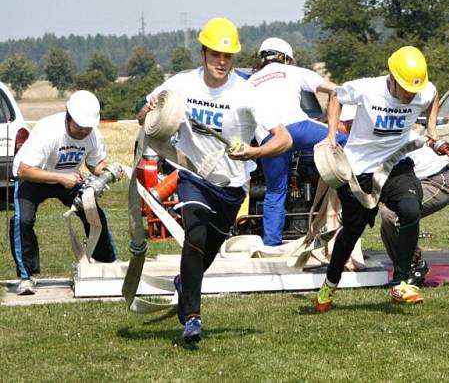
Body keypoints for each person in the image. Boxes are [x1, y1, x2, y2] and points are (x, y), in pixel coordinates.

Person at [137, 18, 291, 343]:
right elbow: (145, 113)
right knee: (194, 232)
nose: (221, 61)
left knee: (206, 250)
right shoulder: (181, 84)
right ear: (203, 52)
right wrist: (147, 110)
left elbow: (284, 139)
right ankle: (192, 317)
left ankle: (184, 284)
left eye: (228, 56)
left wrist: (253, 153)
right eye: (215, 54)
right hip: (194, 176)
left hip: (232, 186)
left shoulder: (247, 94)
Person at [315, 45, 439, 311]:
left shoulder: (423, 90)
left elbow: (433, 95)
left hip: (395, 166)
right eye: (405, 89)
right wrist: (331, 135)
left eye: (413, 90)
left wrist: (432, 127)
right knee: (352, 232)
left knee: (410, 210)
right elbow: (336, 95)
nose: (410, 96)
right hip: (359, 172)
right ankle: (329, 284)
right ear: (392, 78)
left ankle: (402, 282)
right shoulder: (368, 88)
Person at [9, 90, 118, 296]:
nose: (85, 131)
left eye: (88, 127)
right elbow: (24, 170)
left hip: (69, 178)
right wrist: (60, 178)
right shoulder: (48, 130)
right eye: (80, 127)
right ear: (69, 116)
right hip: (33, 176)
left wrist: (107, 170)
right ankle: (26, 277)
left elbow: (95, 164)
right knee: (22, 221)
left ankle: (108, 264)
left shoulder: (92, 134)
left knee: (94, 214)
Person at [248, 37, 347, 246]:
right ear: (285, 57)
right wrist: (329, 127)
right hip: (298, 127)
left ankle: (271, 244)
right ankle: (344, 213)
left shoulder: (250, 82)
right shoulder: (294, 71)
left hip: (270, 138)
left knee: (275, 190)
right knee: (345, 143)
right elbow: (337, 91)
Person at [379, 136, 449, 285]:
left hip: (439, 181)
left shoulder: (391, 133)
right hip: (416, 178)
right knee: (388, 217)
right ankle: (408, 267)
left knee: (391, 215)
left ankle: (412, 268)